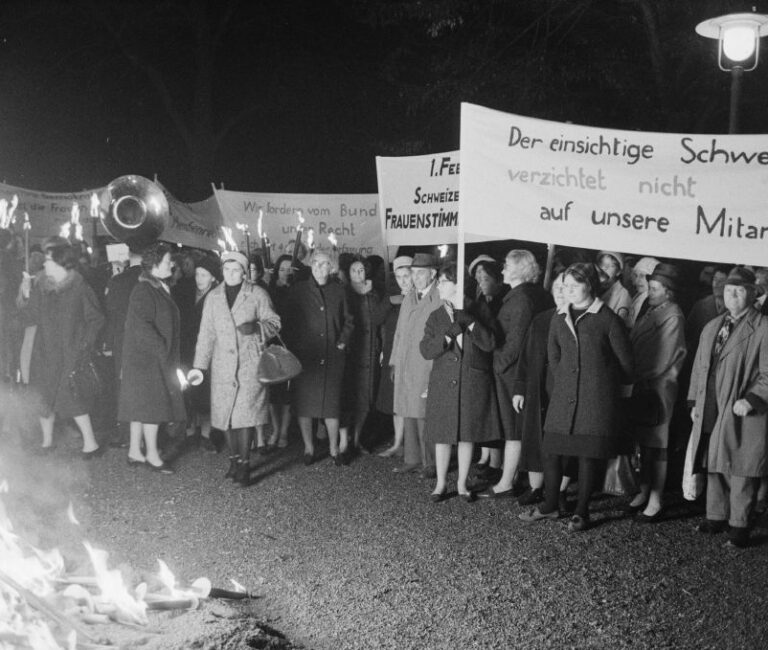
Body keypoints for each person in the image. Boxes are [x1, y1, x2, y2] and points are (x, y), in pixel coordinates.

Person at [520, 262, 633, 531]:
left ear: (590, 285)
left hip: (595, 402)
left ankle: (581, 512)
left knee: (586, 456)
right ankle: (550, 505)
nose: (568, 290)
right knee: (551, 451)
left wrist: (600, 384)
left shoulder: (607, 319)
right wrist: (567, 382)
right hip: (564, 398)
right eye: (565, 286)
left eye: (575, 285)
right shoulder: (560, 318)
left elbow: (627, 364)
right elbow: (554, 356)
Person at [687, 266, 768, 548]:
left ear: (753, 293)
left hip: (742, 407)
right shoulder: (713, 326)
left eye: (740, 290)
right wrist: (695, 402)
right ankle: (716, 516)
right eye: (729, 290)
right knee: (713, 462)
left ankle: (740, 527)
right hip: (712, 403)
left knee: (741, 469)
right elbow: (699, 367)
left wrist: (754, 398)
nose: (732, 295)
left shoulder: (763, 327)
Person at [189, 251, 281, 485]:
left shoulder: (257, 294)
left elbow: (274, 323)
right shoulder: (213, 297)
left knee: (246, 415)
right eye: (226, 270)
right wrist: (199, 366)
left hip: (249, 364)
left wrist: (257, 328)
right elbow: (206, 334)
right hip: (222, 366)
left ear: (244, 271)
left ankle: (245, 464)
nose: (231, 274)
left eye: (236, 270)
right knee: (225, 416)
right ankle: (233, 459)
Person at [420, 262, 499, 502]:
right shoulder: (436, 316)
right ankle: (441, 484)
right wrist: (446, 335)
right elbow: (425, 350)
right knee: (443, 435)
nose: (440, 286)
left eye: (444, 282)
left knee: (467, 435)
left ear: (458, 285)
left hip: (471, 382)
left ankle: (462, 484)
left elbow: (490, 343)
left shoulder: (481, 310)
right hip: (444, 382)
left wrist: (472, 322)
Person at [479, 250, 553, 499]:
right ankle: (512, 477)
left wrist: (496, 365)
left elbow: (516, 341)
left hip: (511, 372)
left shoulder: (521, 299)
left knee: (514, 428)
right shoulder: (526, 295)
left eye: (506, 266)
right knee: (517, 427)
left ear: (520, 269)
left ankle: (506, 482)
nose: (502, 271)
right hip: (516, 370)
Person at [26, 237, 105, 455]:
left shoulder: (79, 287)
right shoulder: (41, 286)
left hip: (70, 353)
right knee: (44, 397)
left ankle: (91, 444)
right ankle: (47, 442)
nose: (45, 264)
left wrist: (84, 345)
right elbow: (30, 315)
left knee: (72, 399)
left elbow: (96, 319)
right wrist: (25, 295)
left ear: (62, 262)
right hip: (44, 352)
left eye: (49, 260)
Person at [625, 264, 687, 522]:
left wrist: (633, 374)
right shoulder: (653, 310)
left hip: (660, 389)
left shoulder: (673, 317)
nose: (649, 292)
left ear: (669, 292)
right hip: (645, 385)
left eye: (654, 288)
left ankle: (656, 499)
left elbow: (663, 359)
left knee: (658, 446)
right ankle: (644, 488)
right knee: (645, 445)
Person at [118, 242, 186, 474]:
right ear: (155, 265)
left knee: (140, 406)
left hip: (146, 359)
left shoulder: (155, 286)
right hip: (147, 360)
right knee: (153, 407)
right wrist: (163, 349)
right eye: (168, 261)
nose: (172, 264)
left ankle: (135, 452)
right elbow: (142, 326)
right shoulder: (144, 290)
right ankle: (152, 456)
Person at [283, 250, 354, 465]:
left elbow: (350, 320)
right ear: (311, 266)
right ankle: (309, 448)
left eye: (325, 265)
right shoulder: (298, 291)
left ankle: (333, 448)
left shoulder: (339, 291)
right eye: (317, 264)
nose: (321, 268)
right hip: (307, 358)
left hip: (333, 357)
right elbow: (289, 322)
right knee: (305, 406)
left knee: (331, 406)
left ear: (331, 268)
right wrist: (295, 347)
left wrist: (342, 341)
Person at [512, 272, 569, 508]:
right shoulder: (540, 319)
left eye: (566, 289)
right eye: (557, 288)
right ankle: (536, 487)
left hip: (563, 393)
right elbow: (524, 358)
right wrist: (520, 388)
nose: (561, 293)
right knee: (536, 438)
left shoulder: (579, 322)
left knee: (564, 443)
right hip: (538, 391)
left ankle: (561, 492)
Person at [389, 252, 441, 477]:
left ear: (433, 274)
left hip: (426, 362)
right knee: (407, 410)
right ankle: (412, 458)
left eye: (421, 273)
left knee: (423, 412)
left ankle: (430, 463)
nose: (416, 277)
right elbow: (399, 332)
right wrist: (393, 361)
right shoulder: (410, 297)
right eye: (414, 273)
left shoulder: (439, 297)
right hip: (405, 361)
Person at [468, 254, 508, 481]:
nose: (481, 281)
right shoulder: (482, 301)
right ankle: (489, 458)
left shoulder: (501, 300)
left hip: (497, 363)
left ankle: (497, 462)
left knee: (497, 415)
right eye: (478, 277)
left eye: (485, 277)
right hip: (485, 363)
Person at [175, 254, 221, 449]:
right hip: (186, 350)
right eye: (197, 274)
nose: (199, 278)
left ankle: (206, 433)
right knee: (187, 391)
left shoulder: (218, 296)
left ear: (213, 277)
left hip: (207, 352)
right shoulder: (186, 293)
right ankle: (189, 431)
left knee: (205, 393)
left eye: (204, 275)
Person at [347, 256, 389, 456]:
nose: (358, 274)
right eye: (354, 270)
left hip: (370, 352)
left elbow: (381, 323)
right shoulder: (345, 294)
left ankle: (357, 439)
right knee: (350, 397)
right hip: (352, 353)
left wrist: (381, 347)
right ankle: (345, 440)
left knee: (366, 398)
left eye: (361, 270)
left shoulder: (374, 295)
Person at [376, 256, 413, 458]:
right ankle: (397, 442)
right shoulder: (392, 296)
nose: (403, 281)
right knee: (395, 400)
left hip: (413, 356)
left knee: (411, 401)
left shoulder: (421, 296)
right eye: (398, 277)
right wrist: (391, 301)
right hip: (393, 353)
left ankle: (412, 444)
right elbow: (376, 318)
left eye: (406, 276)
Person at [267, 254, 295, 448]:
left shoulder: (296, 289)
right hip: (272, 343)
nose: (286, 272)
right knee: (272, 391)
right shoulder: (269, 290)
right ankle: (275, 429)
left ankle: (284, 431)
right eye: (282, 268)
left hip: (291, 343)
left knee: (287, 392)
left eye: (289, 268)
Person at [597, 251, 632, 327]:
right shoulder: (594, 287)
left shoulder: (624, 295)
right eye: (602, 264)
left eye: (611, 266)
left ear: (618, 272)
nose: (605, 268)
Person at [628, 256, 659, 327]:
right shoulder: (638, 295)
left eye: (642, 276)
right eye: (636, 276)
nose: (637, 281)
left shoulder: (651, 302)